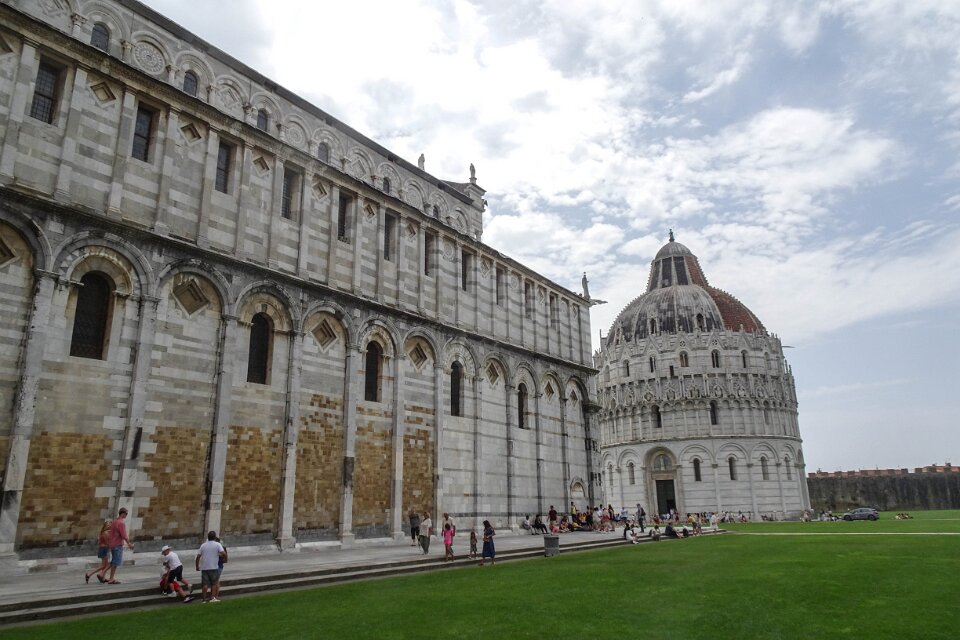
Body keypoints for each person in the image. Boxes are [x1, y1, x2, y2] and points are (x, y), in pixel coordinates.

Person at [195, 530, 227, 603]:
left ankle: (204, 599)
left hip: (204, 567)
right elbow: (224, 553)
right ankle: (212, 598)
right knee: (214, 583)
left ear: (208, 537)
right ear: (215, 537)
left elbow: (198, 556)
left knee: (205, 584)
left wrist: (197, 566)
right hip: (213, 567)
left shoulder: (203, 545)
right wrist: (222, 557)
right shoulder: (217, 544)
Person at [104, 508, 134, 584]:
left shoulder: (114, 521)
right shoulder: (121, 523)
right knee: (115, 563)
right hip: (117, 545)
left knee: (114, 561)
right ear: (122, 513)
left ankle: (104, 575)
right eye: (126, 513)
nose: (126, 515)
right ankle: (110, 578)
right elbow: (124, 535)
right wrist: (129, 544)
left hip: (113, 544)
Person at [85, 519, 112, 584]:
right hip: (103, 549)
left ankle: (102, 578)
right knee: (103, 566)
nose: (110, 526)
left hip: (103, 549)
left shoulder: (104, 532)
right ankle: (89, 574)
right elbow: (107, 543)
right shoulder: (105, 533)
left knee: (104, 565)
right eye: (108, 525)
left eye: (110, 524)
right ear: (105, 526)